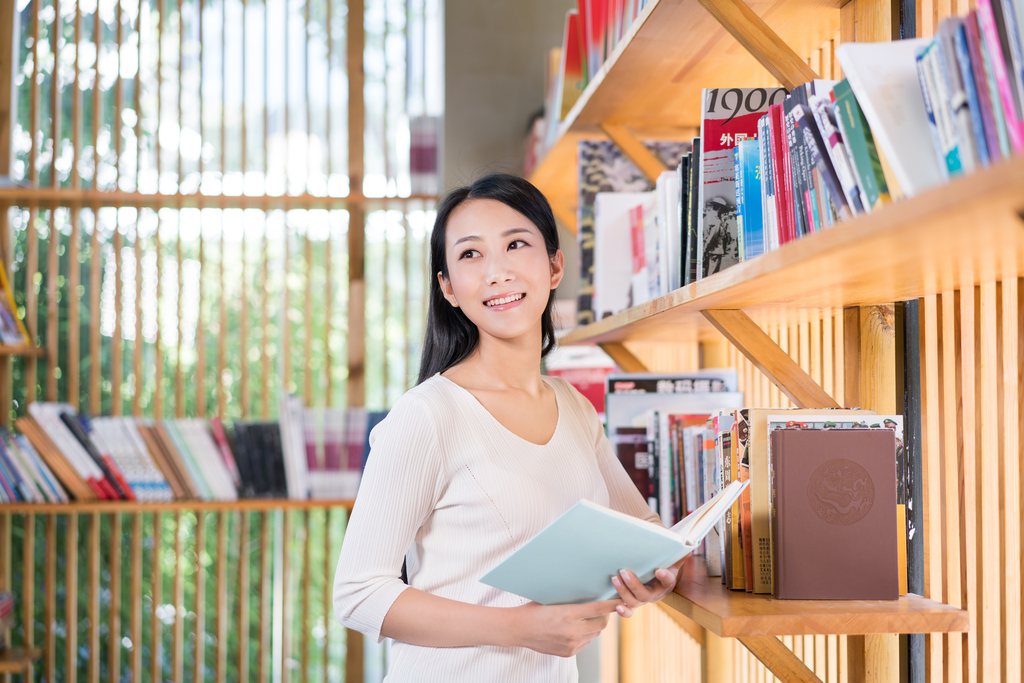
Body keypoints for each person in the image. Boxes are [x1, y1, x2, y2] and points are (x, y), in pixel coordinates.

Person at [333, 173, 684, 682]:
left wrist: (653, 578)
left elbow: (643, 532)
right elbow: (358, 594)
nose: (497, 271)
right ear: (448, 288)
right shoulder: (427, 415)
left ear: (555, 265)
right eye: (471, 255)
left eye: (516, 244)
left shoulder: (574, 407)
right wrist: (520, 627)